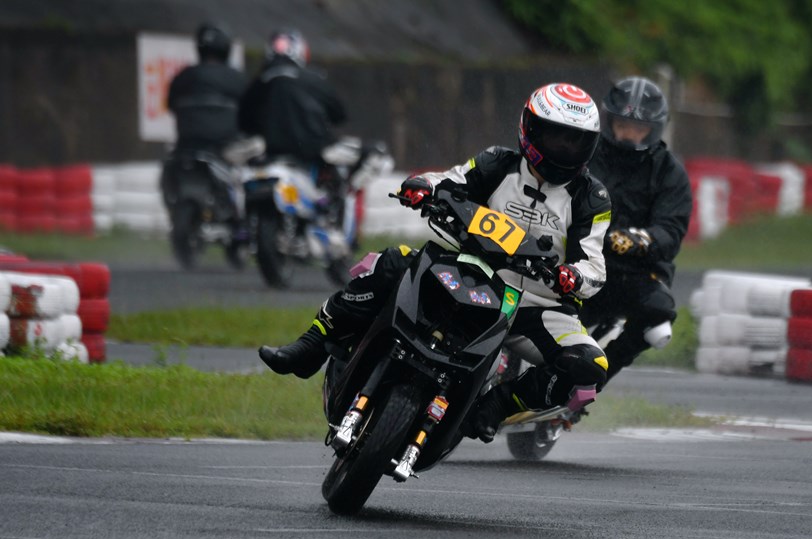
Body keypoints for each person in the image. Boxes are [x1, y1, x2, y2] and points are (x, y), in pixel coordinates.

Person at [258, 82, 612, 443]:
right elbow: (449, 180)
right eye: (556, 137)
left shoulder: (592, 197)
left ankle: (501, 403)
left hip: (534, 306)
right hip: (469, 273)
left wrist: (572, 276)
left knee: (591, 365)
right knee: (390, 262)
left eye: (576, 141)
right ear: (530, 129)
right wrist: (423, 186)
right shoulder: (497, 162)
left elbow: (594, 265)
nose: (565, 150)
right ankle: (314, 343)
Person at [579, 76, 692, 387]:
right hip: (580, 259)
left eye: (638, 128)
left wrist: (638, 241)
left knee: (658, 323)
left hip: (634, 273)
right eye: (623, 125)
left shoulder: (669, 172)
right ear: (609, 121)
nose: (629, 134)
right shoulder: (583, 154)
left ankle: (593, 382)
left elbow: (671, 230)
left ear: (653, 129)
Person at [237, 29, 350, 244]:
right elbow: (339, 113)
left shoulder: (259, 82)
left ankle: (245, 225)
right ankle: (331, 217)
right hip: (309, 152)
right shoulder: (313, 79)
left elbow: (243, 121)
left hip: (270, 153)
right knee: (338, 172)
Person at [166, 22, 246, 154]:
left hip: (186, 147)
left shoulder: (183, 76)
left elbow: (170, 105)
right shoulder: (236, 78)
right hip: (225, 149)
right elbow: (250, 111)